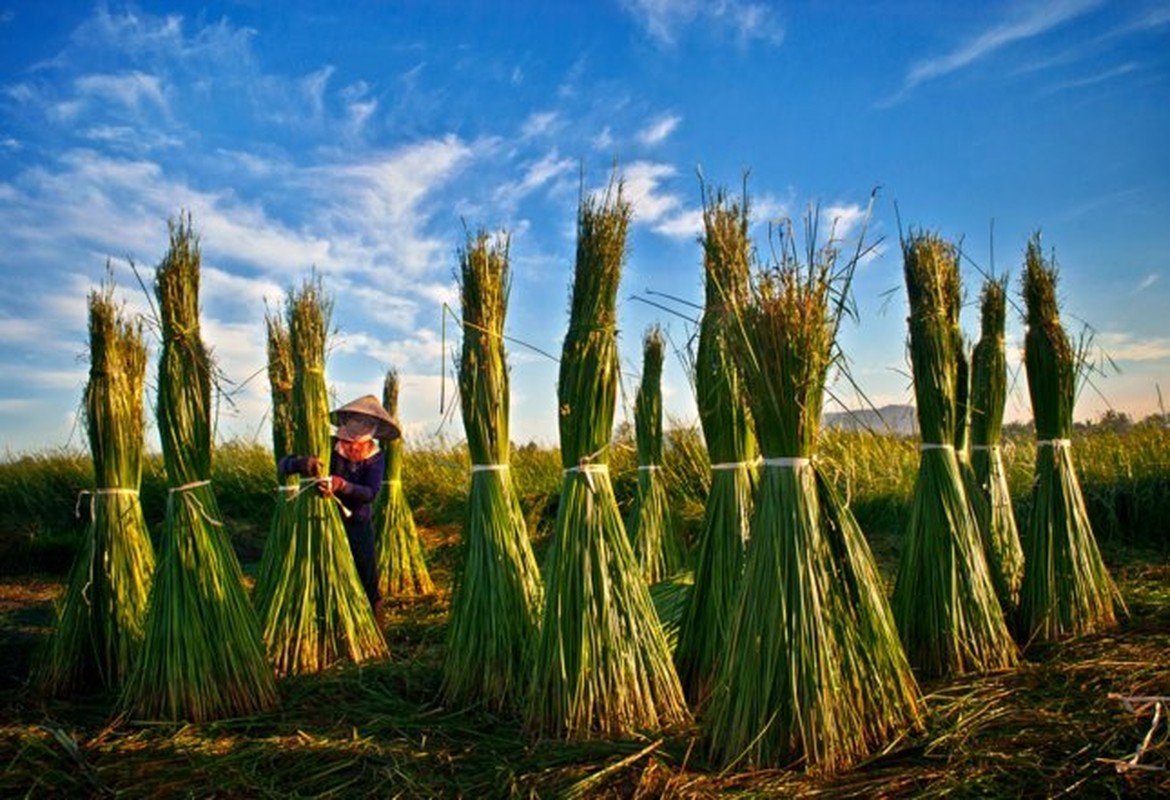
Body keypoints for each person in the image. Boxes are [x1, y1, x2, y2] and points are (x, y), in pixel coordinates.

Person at [278, 394, 399, 614]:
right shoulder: (327, 445)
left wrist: (342, 485)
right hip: (321, 521)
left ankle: (377, 630)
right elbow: (283, 464)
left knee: (367, 577)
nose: (352, 446)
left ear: (371, 434)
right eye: (347, 439)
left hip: (357, 522)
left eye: (358, 442)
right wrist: (303, 463)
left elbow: (370, 492)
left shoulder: (376, 457)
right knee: (320, 574)